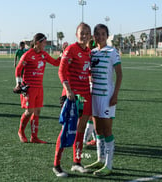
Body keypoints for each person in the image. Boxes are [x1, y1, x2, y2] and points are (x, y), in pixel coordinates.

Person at [53, 22, 92, 177]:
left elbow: (88, 72)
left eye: (87, 33)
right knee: (66, 130)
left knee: (81, 130)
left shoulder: (89, 52)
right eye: (82, 33)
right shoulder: (71, 49)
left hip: (85, 95)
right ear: (76, 34)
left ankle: (77, 162)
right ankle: (56, 164)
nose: (84, 35)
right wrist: (68, 90)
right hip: (72, 96)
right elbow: (61, 71)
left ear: (90, 36)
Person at [84, 24, 122, 176]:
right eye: (97, 34)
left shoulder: (112, 52)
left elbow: (119, 75)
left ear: (107, 36)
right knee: (98, 130)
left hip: (107, 97)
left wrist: (115, 95)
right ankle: (100, 159)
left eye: (103, 34)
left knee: (107, 130)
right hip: (94, 95)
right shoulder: (92, 53)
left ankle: (109, 165)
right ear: (94, 37)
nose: (100, 36)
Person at [14, 33, 61, 144]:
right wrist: (18, 84)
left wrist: (63, 55)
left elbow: (55, 63)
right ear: (37, 43)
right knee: (29, 111)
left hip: (39, 87)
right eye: (44, 42)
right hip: (29, 87)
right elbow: (18, 69)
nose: (45, 44)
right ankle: (21, 131)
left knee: (37, 111)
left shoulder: (44, 54)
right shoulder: (28, 54)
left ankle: (34, 137)